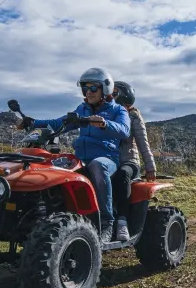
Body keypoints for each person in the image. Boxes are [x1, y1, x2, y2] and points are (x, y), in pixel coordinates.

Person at [17, 67, 130, 243]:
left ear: (105, 88)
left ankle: (107, 222)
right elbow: (58, 123)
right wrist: (32, 123)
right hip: (81, 158)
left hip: (107, 159)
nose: (88, 92)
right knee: (54, 168)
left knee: (98, 165)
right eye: (85, 88)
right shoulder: (82, 109)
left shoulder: (118, 110)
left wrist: (104, 124)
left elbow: (124, 130)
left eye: (93, 88)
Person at [111, 80, 157, 242]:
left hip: (129, 162)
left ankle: (122, 221)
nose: (110, 95)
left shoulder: (133, 115)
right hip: (110, 161)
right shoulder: (107, 113)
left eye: (114, 92)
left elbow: (143, 142)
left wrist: (150, 167)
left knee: (122, 175)